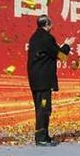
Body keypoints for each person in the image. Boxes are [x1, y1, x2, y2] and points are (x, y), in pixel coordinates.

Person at [27, 15, 75, 146]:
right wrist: (67, 45)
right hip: (43, 81)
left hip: (36, 80)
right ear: (47, 24)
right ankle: (41, 138)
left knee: (41, 108)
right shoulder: (46, 38)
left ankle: (44, 135)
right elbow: (60, 55)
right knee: (44, 109)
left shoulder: (35, 37)